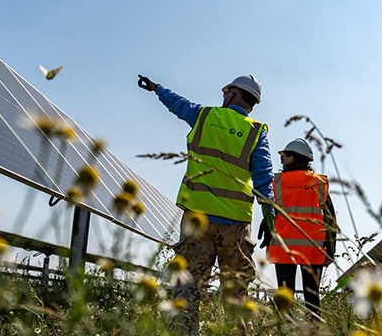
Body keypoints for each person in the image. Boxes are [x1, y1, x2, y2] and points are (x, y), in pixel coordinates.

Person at [137, 74, 274, 335]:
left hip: (197, 221)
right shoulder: (256, 132)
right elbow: (264, 179)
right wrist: (269, 218)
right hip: (235, 227)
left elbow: (178, 104)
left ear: (233, 94)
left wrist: (157, 88)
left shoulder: (204, 116)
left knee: (186, 291)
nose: (224, 96)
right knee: (237, 297)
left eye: (227, 92)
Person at [260, 138, 337, 320]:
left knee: (285, 297)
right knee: (313, 299)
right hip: (313, 249)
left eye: (284, 156)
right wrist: (331, 251)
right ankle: (314, 332)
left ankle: (284, 332)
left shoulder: (277, 182)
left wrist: (267, 228)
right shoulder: (319, 183)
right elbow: (330, 219)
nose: (282, 160)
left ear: (293, 158)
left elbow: (270, 212)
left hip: (284, 248)